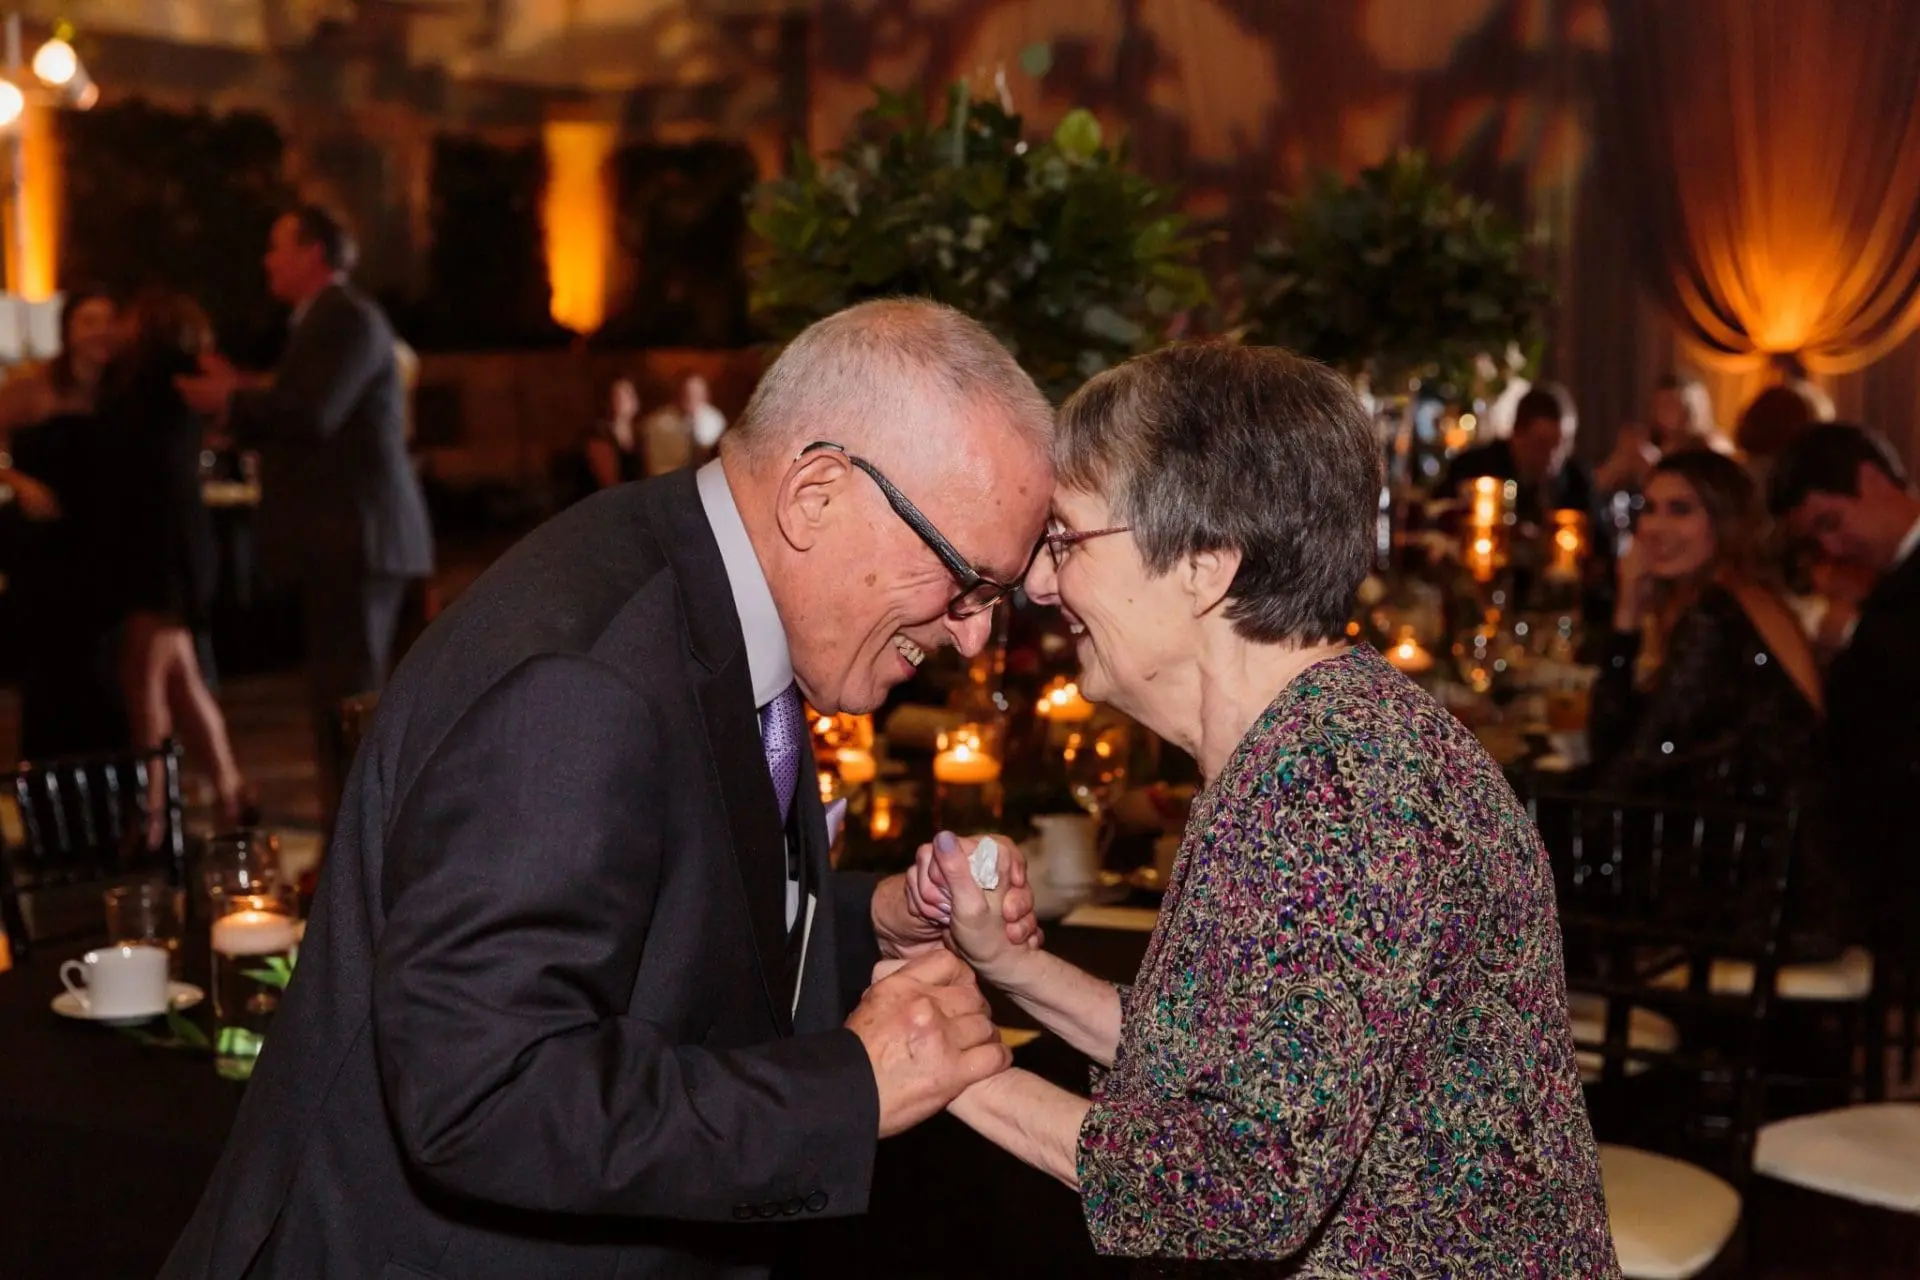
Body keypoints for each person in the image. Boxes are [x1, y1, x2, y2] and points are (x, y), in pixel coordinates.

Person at [160, 299, 1052, 1279]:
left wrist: (870, 918)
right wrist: (849, 1087)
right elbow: (481, 1091)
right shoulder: (581, 684)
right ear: (818, 493)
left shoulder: (708, 581)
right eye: (966, 580)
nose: (973, 634)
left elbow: (667, 916)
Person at [911, 342, 1616, 1272]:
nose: (1040, 586)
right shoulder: (1322, 738)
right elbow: (1236, 1063)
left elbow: (1242, 1184)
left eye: (1067, 541)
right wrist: (1011, 970)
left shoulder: (1332, 785)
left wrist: (952, 1074)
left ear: (1206, 564)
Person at [176, 203, 435, 823]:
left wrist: (230, 401)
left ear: (313, 253)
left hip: (355, 540)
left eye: (277, 246)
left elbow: (312, 413)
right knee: (340, 704)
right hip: (347, 540)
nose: (267, 260)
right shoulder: (325, 321)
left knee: (351, 707)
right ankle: (350, 841)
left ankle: (359, 851)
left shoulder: (343, 316)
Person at [1591, 450, 1824, 808]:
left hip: (1761, 846)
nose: (1654, 528)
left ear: (1725, 521)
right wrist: (1628, 609)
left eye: (1680, 510)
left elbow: (1630, 758)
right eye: (1649, 509)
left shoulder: (1717, 615)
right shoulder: (1738, 596)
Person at [98, 290, 249, 829]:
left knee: (145, 681)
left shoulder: (148, 386)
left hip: (158, 550)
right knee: (180, 679)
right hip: (178, 544)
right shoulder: (181, 385)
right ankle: (230, 791)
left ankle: (154, 814)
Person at [1768, 423, 1920, 950]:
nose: (1833, 546)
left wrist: (1852, 634)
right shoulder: (1892, 580)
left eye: (1832, 522)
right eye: (1819, 536)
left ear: (1872, 480)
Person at [2, 286, 126, 760]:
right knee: (50, 680)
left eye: (106, 321)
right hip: (47, 556)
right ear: (68, 330)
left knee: (104, 679)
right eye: (87, 321)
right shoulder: (35, 387)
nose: (99, 332)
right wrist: (18, 481)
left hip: (103, 551)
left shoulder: (122, 392)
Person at [1443, 382, 1599, 530]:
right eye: (1542, 444)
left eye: (1562, 444)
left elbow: (1602, 544)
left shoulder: (1575, 480)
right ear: (1516, 436)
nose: (1554, 457)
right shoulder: (1473, 469)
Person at [642, 373, 726, 475]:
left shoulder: (715, 421)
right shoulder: (659, 424)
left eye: (698, 393)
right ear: (679, 394)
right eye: (688, 393)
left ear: (706, 396)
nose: (692, 398)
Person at [584, 375, 644, 489]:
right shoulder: (600, 435)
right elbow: (609, 482)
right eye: (619, 395)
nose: (626, 400)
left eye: (629, 393)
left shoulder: (640, 432)